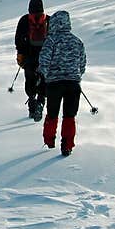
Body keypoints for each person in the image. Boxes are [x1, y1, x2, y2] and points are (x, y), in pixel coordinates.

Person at [38, 10, 86, 156]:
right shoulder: (77, 41)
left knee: (52, 113)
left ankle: (49, 140)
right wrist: (76, 76)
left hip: (54, 84)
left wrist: (43, 77)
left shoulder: (51, 40)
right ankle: (67, 145)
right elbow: (82, 63)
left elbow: (44, 60)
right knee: (69, 115)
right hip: (73, 84)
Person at [14, 0, 48, 121]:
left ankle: (32, 101)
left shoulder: (24, 20)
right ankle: (41, 100)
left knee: (30, 78)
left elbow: (18, 39)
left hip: (29, 57)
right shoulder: (48, 20)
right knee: (44, 78)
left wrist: (20, 55)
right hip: (45, 57)